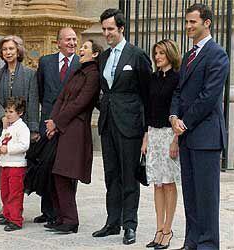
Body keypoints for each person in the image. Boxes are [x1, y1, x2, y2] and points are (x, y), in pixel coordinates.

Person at [170, 4, 229, 250]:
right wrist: (173, 116)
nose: (188, 26)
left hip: (205, 136)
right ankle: (192, 241)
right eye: (186, 22)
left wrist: (185, 122)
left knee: (207, 197)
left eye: (192, 22)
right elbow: (178, 90)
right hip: (186, 135)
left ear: (207, 23)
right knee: (191, 195)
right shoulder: (189, 55)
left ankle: (207, 244)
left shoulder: (217, 54)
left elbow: (209, 96)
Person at [92, 9, 152, 245]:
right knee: (111, 175)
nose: (106, 33)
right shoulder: (104, 57)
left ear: (121, 29)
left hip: (130, 126)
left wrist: (147, 129)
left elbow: (148, 94)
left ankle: (130, 224)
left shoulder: (137, 55)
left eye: (110, 29)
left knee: (129, 176)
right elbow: (103, 90)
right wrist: (104, 107)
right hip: (108, 124)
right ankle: (112, 222)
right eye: (104, 29)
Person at [44, 40, 103, 234]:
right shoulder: (78, 71)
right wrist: (53, 120)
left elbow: (80, 103)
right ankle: (61, 217)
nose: (81, 49)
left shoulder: (93, 75)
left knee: (64, 173)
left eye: (85, 47)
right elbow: (62, 97)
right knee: (57, 173)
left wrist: (57, 122)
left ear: (94, 54)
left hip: (76, 129)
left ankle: (70, 220)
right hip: (63, 126)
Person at [0, 35, 39, 219]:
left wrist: (33, 129)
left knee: (16, 172)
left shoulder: (30, 74)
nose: (8, 52)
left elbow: (33, 101)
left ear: (18, 51)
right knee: (2, 169)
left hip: (21, 129)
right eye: (4, 49)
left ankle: (16, 209)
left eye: (11, 49)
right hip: (2, 127)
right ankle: (5, 208)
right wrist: (2, 117)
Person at [35, 27, 81, 225]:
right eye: (68, 39)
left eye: (74, 39)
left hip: (69, 126)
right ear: (58, 43)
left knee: (66, 170)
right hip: (47, 123)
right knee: (46, 166)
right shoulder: (45, 62)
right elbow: (40, 90)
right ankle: (47, 211)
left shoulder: (82, 64)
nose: (72, 43)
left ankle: (64, 213)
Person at [141, 39, 181, 249]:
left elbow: (179, 109)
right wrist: (146, 137)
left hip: (169, 133)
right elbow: (149, 109)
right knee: (157, 183)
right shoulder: (153, 78)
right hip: (154, 134)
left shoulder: (177, 78)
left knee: (168, 183)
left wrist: (176, 139)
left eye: (162, 53)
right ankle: (158, 229)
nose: (157, 57)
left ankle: (168, 229)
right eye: (156, 53)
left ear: (170, 55)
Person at [0, 97, 30, 232]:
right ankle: (7, 214)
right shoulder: (7, 128)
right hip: (5, 164)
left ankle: (16, 220)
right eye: (6, 111)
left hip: (16, 166)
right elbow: (1, 141)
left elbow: (24, 145)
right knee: (5, 192)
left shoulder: (22, 128)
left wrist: (8, 149)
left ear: (20, 113)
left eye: (11, 112)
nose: (7, 114)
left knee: (15, 193)